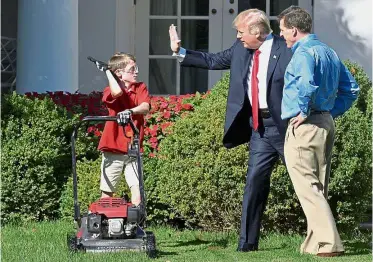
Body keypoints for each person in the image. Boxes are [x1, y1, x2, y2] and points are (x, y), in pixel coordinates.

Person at [169, 9, 292, 252]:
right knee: (254, 184)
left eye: (241, 31)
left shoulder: (286, 49)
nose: (237, 36)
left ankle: (322, 236)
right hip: (259, 129)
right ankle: (247, 244)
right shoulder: (240, 49)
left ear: (257, 31)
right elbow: (213, 60)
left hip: (286, 128)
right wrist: (179, 52)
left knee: (304, 182)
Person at [278, 7, 359, 257]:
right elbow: (352, 89)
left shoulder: (304, 53)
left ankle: (328, 244)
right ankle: (315, 243)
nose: (281, 35)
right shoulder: (329, 51)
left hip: (305, 125)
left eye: (282, 30)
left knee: (308, 187)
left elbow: (305, 84)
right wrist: (329, 113)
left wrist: (303, 111)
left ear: (293, 29)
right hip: (324, 123)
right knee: (317, 186)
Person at [96, 52, 151, 206]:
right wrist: (108, 72)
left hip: (133, 148)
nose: (137, 72)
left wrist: (131, 111)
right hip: (113, 148)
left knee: (137, 189)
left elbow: (145, 107)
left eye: (136, 68)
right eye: (132, 69)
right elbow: (117, 93)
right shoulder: (110, 89)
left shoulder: (140, 88)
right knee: (107, 191)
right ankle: (106, 224)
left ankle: (135, 223)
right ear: (119, 73)